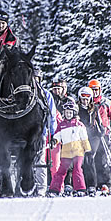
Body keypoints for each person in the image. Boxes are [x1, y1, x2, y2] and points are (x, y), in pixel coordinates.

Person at [48, 101, 91, 197]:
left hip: (77, 150)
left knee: (77, 169)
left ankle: (80, 189)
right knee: (61, 170)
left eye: (70, 113)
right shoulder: (61, 125)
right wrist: (54, 141)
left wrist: (87, 149)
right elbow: (57, 136)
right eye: (66, 112)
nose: (68, 115)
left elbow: (84, 137)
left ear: (74, 113)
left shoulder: (78, 124)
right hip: (66, 151)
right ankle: (54, 190)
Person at [88, 79, 111, 194]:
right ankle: (95, 183)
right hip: (91, 135)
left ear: (99, 90)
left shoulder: (105, 102)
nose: (94, 92)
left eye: (96, 90)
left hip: (105, 134)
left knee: (106, 159)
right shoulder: (87, 102)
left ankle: (107, 183)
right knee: (93, 159)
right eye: (92, 90)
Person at [33, 69, 57, 197]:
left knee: (40, 161)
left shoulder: (46, 95)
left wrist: (53, 135)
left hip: (40, 133)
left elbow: (52, 116)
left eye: (37, 79)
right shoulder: (24, 94)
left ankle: (41, 188)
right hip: (24, 134)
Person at [77, 86, 104, 196]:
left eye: (87, 99)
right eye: (83, 99)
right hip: (80, 136)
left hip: (93, 136)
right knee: (80, 159)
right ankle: (80, 185)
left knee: (90, 156)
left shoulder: (95, 109)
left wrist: (102, 130)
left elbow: (100, 122)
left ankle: (92, 185)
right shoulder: (77, 109)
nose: (85, 101)